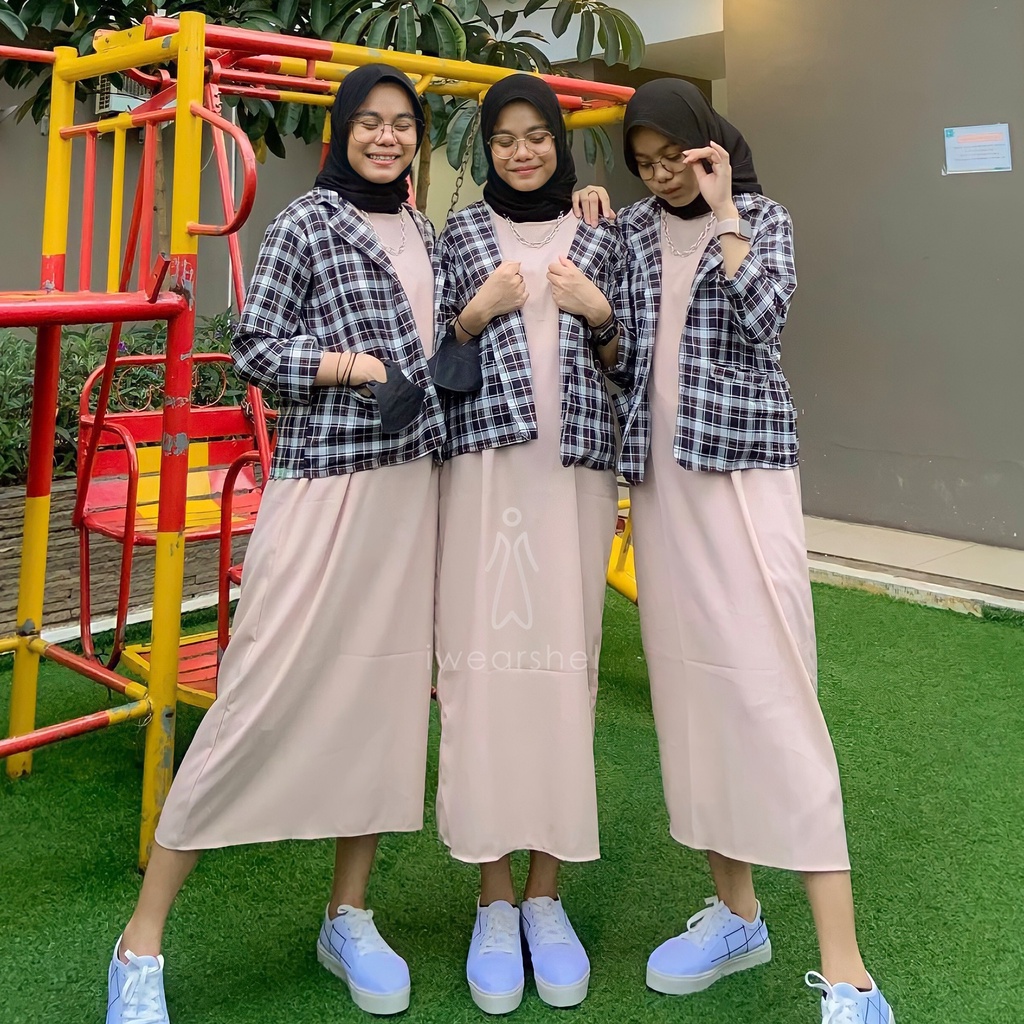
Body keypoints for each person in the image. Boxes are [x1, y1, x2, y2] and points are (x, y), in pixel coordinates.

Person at [104, 64, 445, 1023]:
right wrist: (355, 365)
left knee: (384, 701)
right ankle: (140, 943)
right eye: (369, 122)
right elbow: (256, 347)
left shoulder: (423, 230)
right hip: (324, 488)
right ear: (342, 131)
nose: (386, 136)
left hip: (412, 492)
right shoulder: (306, 221)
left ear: (418, 138)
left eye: (402, 123)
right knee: (253, 697)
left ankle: (348, 912)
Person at [590, 79, 895, 1024]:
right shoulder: (632, 234)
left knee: (774, 695)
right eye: (642, 164)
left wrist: (724, 214)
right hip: (661, 489)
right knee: (693, 698)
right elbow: (614, 353)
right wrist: (584, 227)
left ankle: (849, 975)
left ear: (708, 144)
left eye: (671, 157)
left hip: (744, 480)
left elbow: (764, 321)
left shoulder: (763, 219)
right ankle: (737, 914)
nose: (658, 175)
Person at [429, 74, 623, 1014]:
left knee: (564, 672)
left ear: (559, 141)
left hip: (575, 476)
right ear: (486, 149)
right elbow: (433, 356)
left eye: (536, 134)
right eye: (503, 138)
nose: (521, 152)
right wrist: (477, 311)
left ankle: (546, 895)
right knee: (483, 675)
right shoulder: (460, 235)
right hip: (485, 475)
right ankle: (494, 898)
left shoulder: (602, 233)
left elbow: (632, 359)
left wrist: (597, 311)